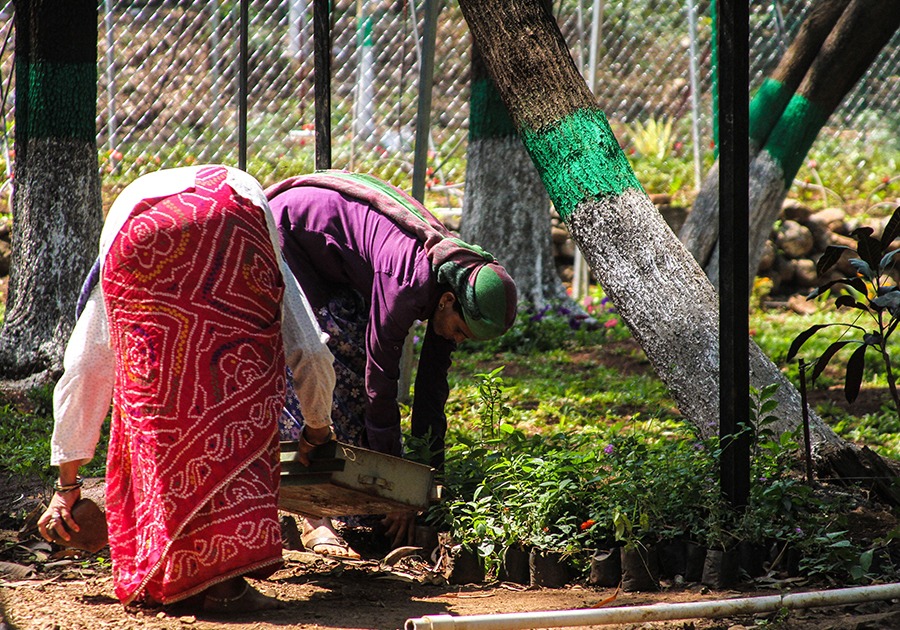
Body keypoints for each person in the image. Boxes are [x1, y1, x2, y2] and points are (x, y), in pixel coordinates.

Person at [38, 165, 337, 612]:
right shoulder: (255, 215)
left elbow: (86, 365)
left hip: (135, 231)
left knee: (158, 401)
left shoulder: (119, 240)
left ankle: (175, 573)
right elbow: (310, 351)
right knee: (238, 399)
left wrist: (67, 482)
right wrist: (318, 429)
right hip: (236, 219)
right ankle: (227, 585)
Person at [266, 170, 517, 555]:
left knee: (352, 357)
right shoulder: (407, 281)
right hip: (292, 234)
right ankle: (316, 516)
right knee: (321, 352)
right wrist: (395, 488)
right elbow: (379, 382)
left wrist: (426, 479)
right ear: (448, 302)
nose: (457, 340)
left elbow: (432, 390)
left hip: (339, 262)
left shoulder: (450, 280)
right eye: (461, 332)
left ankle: (357, 505)